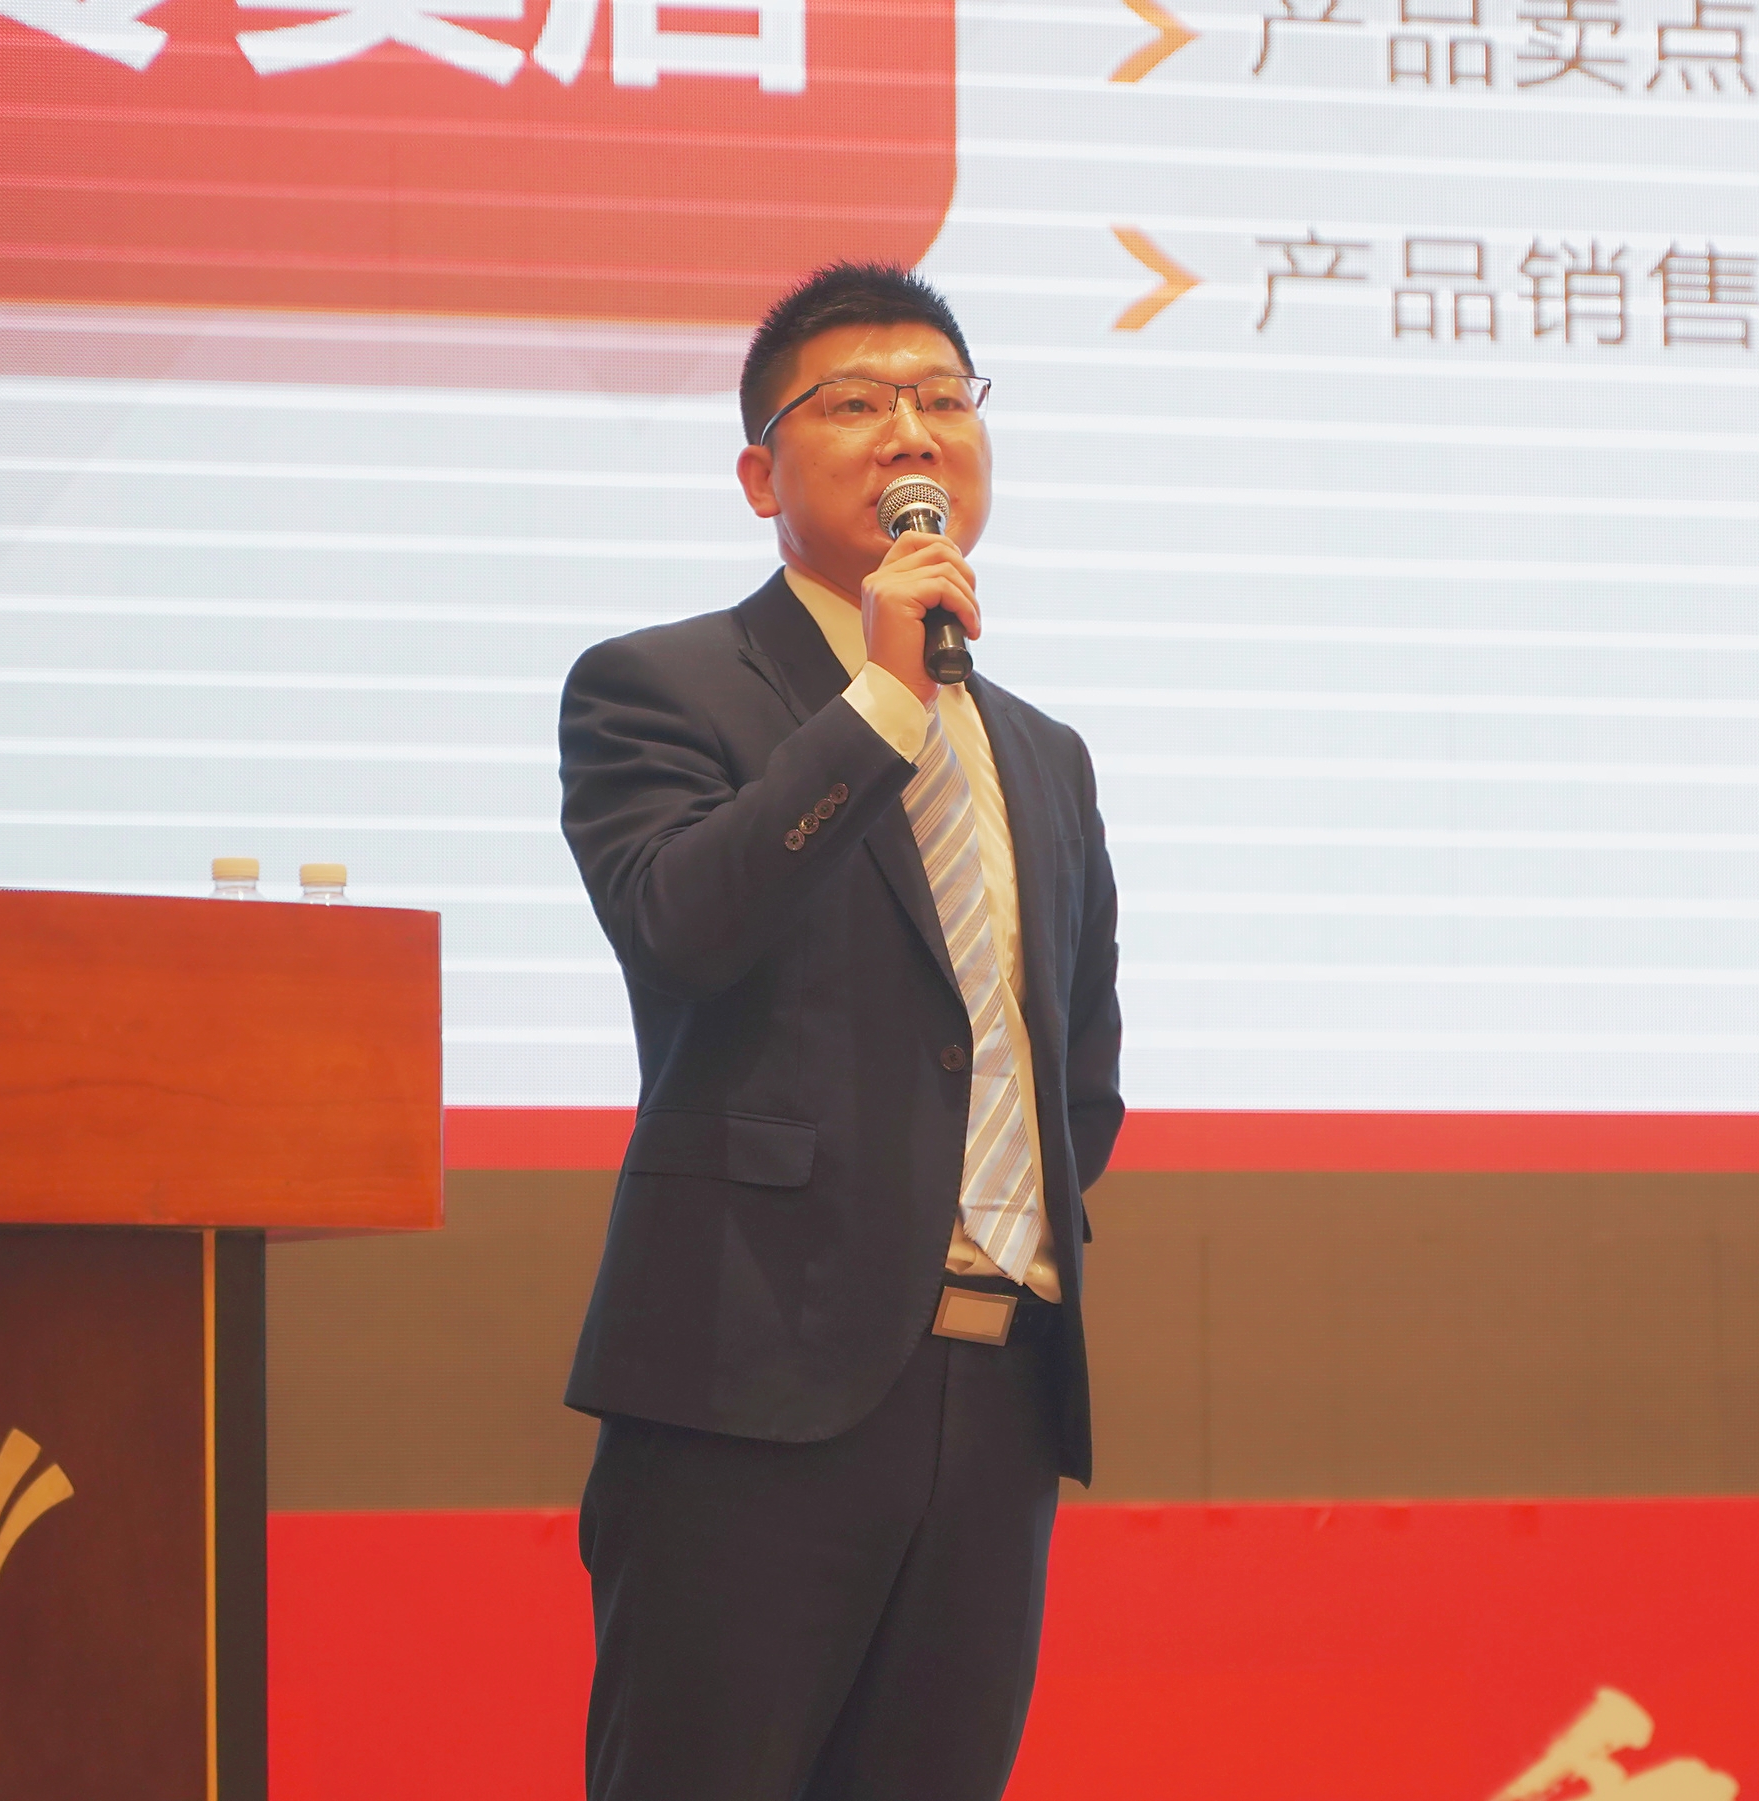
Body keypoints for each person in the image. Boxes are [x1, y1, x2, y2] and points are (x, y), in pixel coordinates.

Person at [555, 261, 1124, 1801]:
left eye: (944, 399)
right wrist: (880, 699)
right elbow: (682, 921)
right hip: (752, 1388)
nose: (913, 433)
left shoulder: (1046, 756)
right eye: (859, 402)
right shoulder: (656, 687)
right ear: (761, 475)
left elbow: (1076, 1073)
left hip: (996, 1401)